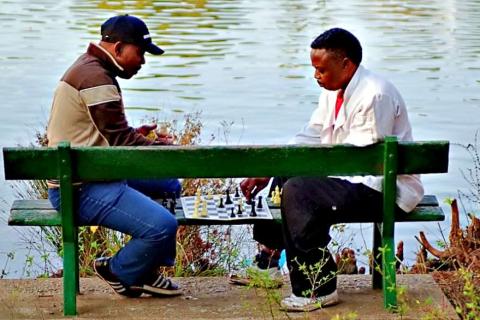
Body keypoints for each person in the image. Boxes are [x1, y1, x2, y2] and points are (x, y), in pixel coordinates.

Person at [240, 28, 423, 312]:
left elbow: (361, 162)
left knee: (300, 190)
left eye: (321, 69)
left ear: (346, 64)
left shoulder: (375, 95)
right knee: (289, 171)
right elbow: (312, 135)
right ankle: (268, 260)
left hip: (380, 188)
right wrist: (273, 165)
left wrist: (307, 178)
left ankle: (318, 287)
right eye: (314, 69)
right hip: (350, 175)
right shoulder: (333, 89)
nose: (316, 76)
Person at [46, 14, 182, 297]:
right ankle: (119, 270)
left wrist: (138, 135)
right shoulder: (96, 78)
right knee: (163, 226)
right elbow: (121, 141)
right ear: (118, 48)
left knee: (169, 184)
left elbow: (109, 135)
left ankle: (144, 268)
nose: (142, 62)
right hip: (79, 188)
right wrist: (166, 150)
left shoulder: (91, 68)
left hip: (94, 172)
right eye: (140, 53)